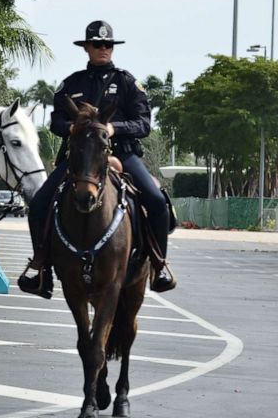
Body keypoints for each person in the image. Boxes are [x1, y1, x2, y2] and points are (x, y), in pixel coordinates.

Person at [19, 20, 176, 298]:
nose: (103, 49)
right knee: (40, 203)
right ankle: (40, 266)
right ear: (87, 48)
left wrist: (115, 128)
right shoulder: (72, 83)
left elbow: (143, 123)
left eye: (108, 45)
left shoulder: (127, 82)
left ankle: (159, 264)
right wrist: (72, 128)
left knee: (156, 200)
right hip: (81, 157)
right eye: (97, 44)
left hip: (122, 153)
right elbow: (56, 120)